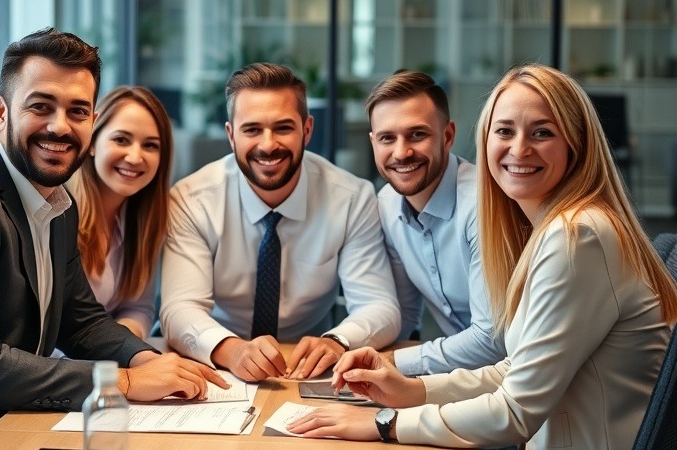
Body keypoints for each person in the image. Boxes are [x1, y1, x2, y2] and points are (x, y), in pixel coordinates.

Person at [287, 63, 677, 449]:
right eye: (505, 131)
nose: (519, 148)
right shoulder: (558, 228)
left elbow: (514, 411)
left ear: (576, 143)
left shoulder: (577, 236)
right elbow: (514, 369)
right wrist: (409, 390)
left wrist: (384, 422)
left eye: (542, 132)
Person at [0, 28, 226, 445]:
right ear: (1, 112)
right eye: (41, 106)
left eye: (78, 111)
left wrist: (151, 359)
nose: (60, 127)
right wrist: (127, 380)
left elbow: (81, 323)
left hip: (6, 421)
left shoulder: (56, 202)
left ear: (92, 122)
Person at [160, 62, 401, 382]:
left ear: (307, 130)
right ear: (231, 136)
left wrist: (338, 341)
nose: (268, 144)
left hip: (306, 368)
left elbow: (380, 305)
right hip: (215, 360)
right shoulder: (192, 199)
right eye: (252, 129)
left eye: (283, 128)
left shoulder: (352, 198)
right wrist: (233, 350)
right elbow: (178, 310)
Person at [366, 70, 505, 375]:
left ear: (447, 136)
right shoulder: (387, 204)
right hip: (458, 381)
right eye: (388, 138)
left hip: (514, 384)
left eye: (417, 134)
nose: (401, 152)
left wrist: (393, 364)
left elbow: (493, 341)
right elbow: (404, 317)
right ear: (373, 142)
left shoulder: (482, 204)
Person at [69, 86, 172, 339]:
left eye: (150, 145)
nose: (135, 157)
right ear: (92, 142)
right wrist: (113, 345)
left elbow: (138, 307)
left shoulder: (145, 220)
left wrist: (122, 340)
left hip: (110, 367)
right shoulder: (58, 213)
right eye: (121, 140)